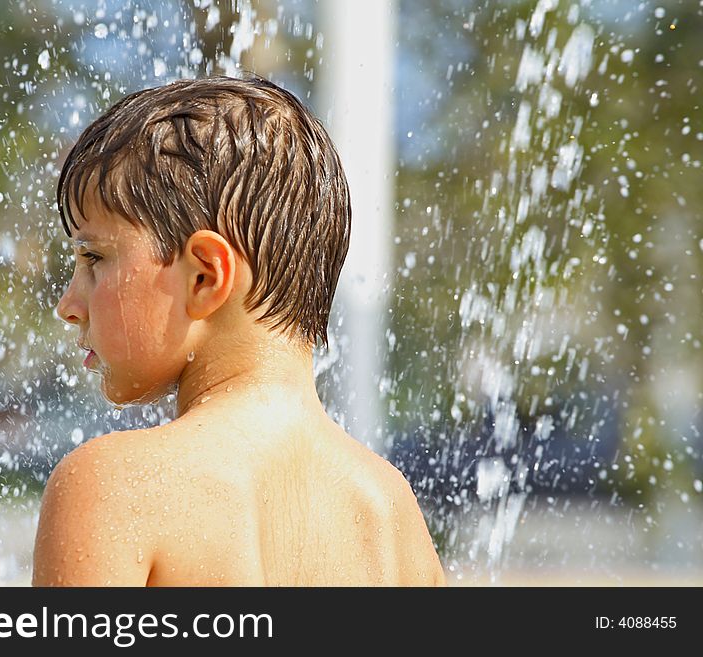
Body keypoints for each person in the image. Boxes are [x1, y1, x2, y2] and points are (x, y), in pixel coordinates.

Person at [32, 72, 447, 586]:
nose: (68, 305)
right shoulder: (389, 511)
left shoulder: (116, 486)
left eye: (93, 258)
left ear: (205, 276)